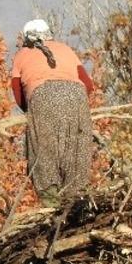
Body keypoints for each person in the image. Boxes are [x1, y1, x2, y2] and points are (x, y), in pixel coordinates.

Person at [10, 19, 95, 206]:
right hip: (76, 96)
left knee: (43, 154)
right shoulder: (65, 49)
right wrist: (72, 101)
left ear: (27, 38)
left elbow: (18, 94)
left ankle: (52, 207)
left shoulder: (22, 55)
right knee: (76, 154)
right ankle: (79, 205)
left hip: (41, 97)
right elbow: (88, 85)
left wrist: (33, 111)